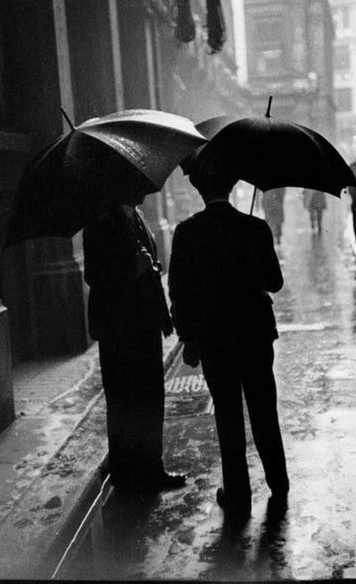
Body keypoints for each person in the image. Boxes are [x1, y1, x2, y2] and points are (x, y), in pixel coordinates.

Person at [168, 161, 289, 517]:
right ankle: (278, 484)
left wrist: (188, 337)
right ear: (233, 184)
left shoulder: (187, 232)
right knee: (265, 410)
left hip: (214, 339)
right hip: (254, 335)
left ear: (200, 191)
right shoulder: (255, 228)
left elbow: (179, 291)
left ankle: (238, 493)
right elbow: (275, 282)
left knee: (228, 414)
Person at [83, 190, 186, 491]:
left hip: (145, 321)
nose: (146, 190)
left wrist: (149, 268)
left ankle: (151, 466)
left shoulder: (136, 217)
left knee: (151, 396)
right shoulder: (101, 223)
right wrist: (133, 268)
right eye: (138, 185)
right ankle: (127, 472)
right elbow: (94, 275)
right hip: (119, 327)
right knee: (123, 399)